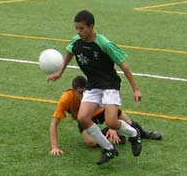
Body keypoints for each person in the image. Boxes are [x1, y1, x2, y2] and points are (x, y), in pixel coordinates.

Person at [48, 9, 143, 165]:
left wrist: (136, 89)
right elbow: (69, 53)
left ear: (91, 27)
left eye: (82, 28)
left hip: (110, 85)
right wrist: (60, 72)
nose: (79, 32)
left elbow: (124, 66)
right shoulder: (76, 41)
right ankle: (109, 148)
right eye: (76, 28)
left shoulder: (104, 44)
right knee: (83, 118)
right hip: (93, 85)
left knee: (111, 122)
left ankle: (134, 134)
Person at [49, 75, 162, 156]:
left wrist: (112, 127)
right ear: (73, 90)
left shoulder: (92, 92)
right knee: (91, 142)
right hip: (84, 119)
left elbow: (111, 107)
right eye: (80, 92)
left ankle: (143, 133)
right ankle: (112, 134)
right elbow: (54, 123)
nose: (84, 95)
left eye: (85, 91)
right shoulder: (66, 99)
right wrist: (55, 147)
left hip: (101, 111)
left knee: (123, 119)